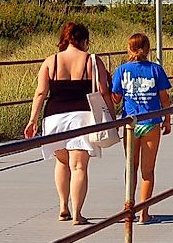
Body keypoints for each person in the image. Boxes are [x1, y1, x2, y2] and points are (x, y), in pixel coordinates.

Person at [24, 22, 113, 226]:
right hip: (83, 116)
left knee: (62, 162)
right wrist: (112, 120)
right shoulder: (92, 60)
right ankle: (77, 214)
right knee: (79, 166)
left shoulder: (50, 61)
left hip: (54, 117)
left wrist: (32, 120)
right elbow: (104, 92)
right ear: (85, 41)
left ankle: (63, 206)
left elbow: (40, 93)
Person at [111, 33, 172, 225]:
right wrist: (167, 119)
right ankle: (144, 214)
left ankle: (129, 207)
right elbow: (165, 99)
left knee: (131, 167)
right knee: (148, 171)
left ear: (129, 48)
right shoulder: (156, 69)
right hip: (151, 122)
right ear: (147, 49)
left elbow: (116, 98)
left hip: (130, 123)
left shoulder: (122, 70)